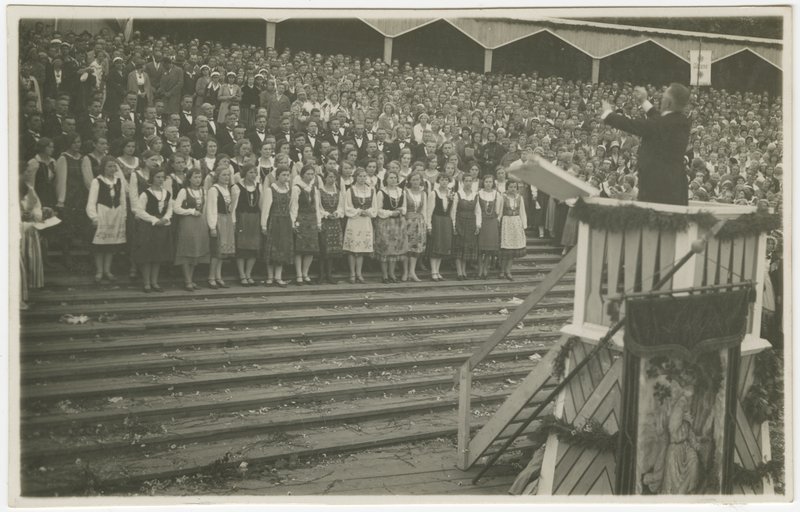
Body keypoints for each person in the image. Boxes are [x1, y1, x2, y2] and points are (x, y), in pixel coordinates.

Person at [601, 84, 691, 206]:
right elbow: (659, 119)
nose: (661, 100)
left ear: (668, 103)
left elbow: (631, 124)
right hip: (675, 185)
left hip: (657, 188)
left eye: (663, 98)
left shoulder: (660, 124)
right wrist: (643, 101)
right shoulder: (681, 121)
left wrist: (608, 114)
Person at [85, 156, 127, 283]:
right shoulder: (97, 181)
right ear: (103, 167)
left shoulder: (119, 181)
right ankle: (99, 271)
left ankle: (107, 270)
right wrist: (94, 217)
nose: (112, 169)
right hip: (102, 213)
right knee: (100, 245)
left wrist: (124, 215)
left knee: (110, 245)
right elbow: (91, 201)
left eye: (114, 166)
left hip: (115, 214)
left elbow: (122, 200)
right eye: (109, 166)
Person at [132, 167, 173, 293]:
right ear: (152, 178)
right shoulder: (146, 193)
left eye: (162, 177)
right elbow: (140, 211)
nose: (160, 180)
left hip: (162, 227)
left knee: (157, 256)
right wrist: (154, 220)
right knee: (147, 256)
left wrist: (166, 218)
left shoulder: (167, 193)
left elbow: (170, 209)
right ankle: (147, 283)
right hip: (148, 227)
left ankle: (155, 282)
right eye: (157, 177)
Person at [54, 133, 92, 269]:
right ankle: (67, 257)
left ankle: (85, 259)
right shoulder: (63, 159)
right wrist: (61, 200)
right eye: (74, 142)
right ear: (69, 143)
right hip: (68, 197)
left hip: (81, 197)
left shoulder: (83, 158)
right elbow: (61, 181)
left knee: (82, 226)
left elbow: (88, 180)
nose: (77, 145)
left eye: (79, 142)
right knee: (67, 229)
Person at [173, 168, 210, 291]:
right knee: (187, 250)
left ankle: (191, 278)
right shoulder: (184, 191)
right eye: (195, 177)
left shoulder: (203, 191)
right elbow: (176, 208)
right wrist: (190, 211)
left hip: (200, 223)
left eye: (199, 177)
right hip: (187, 222)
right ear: (189, 178)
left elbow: (205, 208)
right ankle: (187, 280)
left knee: (196, 250)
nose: (198, 180)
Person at [261, 165, 294, 287]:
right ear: (277, 176)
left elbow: (290, 207)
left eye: (288, 175)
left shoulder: (288, 189)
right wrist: (263, 225)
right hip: (274, 221)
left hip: (285, 222)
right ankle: (270, 277)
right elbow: (266, 209)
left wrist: (292, 222)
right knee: (272, 249)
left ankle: (278, 277)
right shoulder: (271, 190)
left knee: (282, 249)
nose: (286, 177)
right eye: (283, 175)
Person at [343, 167, 377, 284]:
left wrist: (368, 212)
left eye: (364, 176)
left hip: (365, 221)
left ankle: (359, 273)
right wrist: (358, 211)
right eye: (360, 176)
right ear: (355, 177)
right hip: (354, 221)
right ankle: (352, 273)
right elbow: (347, 207)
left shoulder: (371, 190)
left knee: (361, 249)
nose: (362, 178)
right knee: (353, 249)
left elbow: (374, 207)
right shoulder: (350, 190)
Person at [374, 169, 407, 283]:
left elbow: (405, 207)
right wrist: (390, 213)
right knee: (385, 249)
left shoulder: (401, 191)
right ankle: (384, 275)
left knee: (394, 250)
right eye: (391, 178)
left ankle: (392, 274)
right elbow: (378, 210)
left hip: (398, 224)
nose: (393, 180)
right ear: (386, 179)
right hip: (385, 224)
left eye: (395, 178)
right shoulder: (381, 192)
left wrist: (401, 210)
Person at [291, 164, 322, 285]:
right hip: (301, 219)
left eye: (312, 174)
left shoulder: (314, 188)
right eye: (308, 174)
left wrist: (318, 222)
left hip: (312, 220)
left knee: (311, 249)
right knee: (299, 249)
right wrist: (293, 222)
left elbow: (317, 207)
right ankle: (298, 274)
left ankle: (305, 273)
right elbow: (294, 206)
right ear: (302, 175)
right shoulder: (297, 188)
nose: (310, 176)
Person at [206, 164, 236, 289]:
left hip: (227, 220)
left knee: (222, 253)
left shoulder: (227, 189)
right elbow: (211, 209)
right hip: (218, 220)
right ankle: (211, 277)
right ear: (217, 176)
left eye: (228, 175)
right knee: (216, 251)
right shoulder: (214, 190)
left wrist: (232, 221)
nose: (226, 177)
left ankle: (218, 276)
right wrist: (212, 226)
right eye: (224, 175)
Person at [232, 163, 261, 286]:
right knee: (242, 248)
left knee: (253, 247)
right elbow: (233, 207)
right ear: (245, 173)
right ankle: (242, 275)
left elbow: (260, 204)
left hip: (255, 219)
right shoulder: (237, 187)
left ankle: (249, 274)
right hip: (242, 218)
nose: (253, 175)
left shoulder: (258, 186)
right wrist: (234, 221)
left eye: (255, 172)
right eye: (250, 172)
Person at [451, 173, 480, 280]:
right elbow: (453, 210)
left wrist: (478, 225)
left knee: (467, 248)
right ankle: (459, 272)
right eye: (466, 181)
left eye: (470, 181)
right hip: (460, 222)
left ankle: (464, 271)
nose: (468, 183)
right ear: (462, 182)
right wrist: (454, 225)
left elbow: (478, 211)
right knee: (459, 247)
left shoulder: (475, 195)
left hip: (471, 223)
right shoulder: (458, 194)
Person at [427, 173, 455, 282]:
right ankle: (433, 271)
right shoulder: (434, 193)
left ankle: (437, 271)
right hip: (437, 220)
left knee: (443, 246)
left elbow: (452, 210)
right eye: (442, 180)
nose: (444, 182)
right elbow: (429, 211)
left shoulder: (451, 193)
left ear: (449, 182)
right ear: (439, 181)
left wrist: (452, 223)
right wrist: (429, 225)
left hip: (446, 221)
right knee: (436, 245)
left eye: (446, 180)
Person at [402, 171, 427, 282]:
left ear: (420, 181)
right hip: (408, 222)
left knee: (416, 248)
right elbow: (403, 208)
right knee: (406, 247)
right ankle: (405, 272)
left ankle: (412, 272)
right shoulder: (405, 192)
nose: (416, 182)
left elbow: (424, 210)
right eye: (413, 180)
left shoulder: (423, 193)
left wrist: (425, 223)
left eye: (417, 179)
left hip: (419, 223)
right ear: (410, 181)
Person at [499, 180, 527, 281]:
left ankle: (508, 271)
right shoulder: (503, 197)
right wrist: (499, 222)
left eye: (514, 187)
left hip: (516, 223)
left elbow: (522, 212)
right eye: (510, 187)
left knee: (513, 250)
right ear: (507, 188)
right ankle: (502, 271)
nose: (513, 189)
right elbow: (500, 211)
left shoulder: (519, 198)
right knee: (506, 249)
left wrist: (524, 226)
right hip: (506, 223)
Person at [477, 174, 501, 279]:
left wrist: (497, 219)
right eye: (486, 182)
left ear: (493, 183)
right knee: (480, 248)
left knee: (488, 249)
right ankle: (480, 269)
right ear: (483, 182)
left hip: (492, 222)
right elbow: (476, 209)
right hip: (481, 221)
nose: (488, 184)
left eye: (490, 182)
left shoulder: (497, 194)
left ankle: (485, 269)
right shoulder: (478, 193)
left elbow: (499, 209)